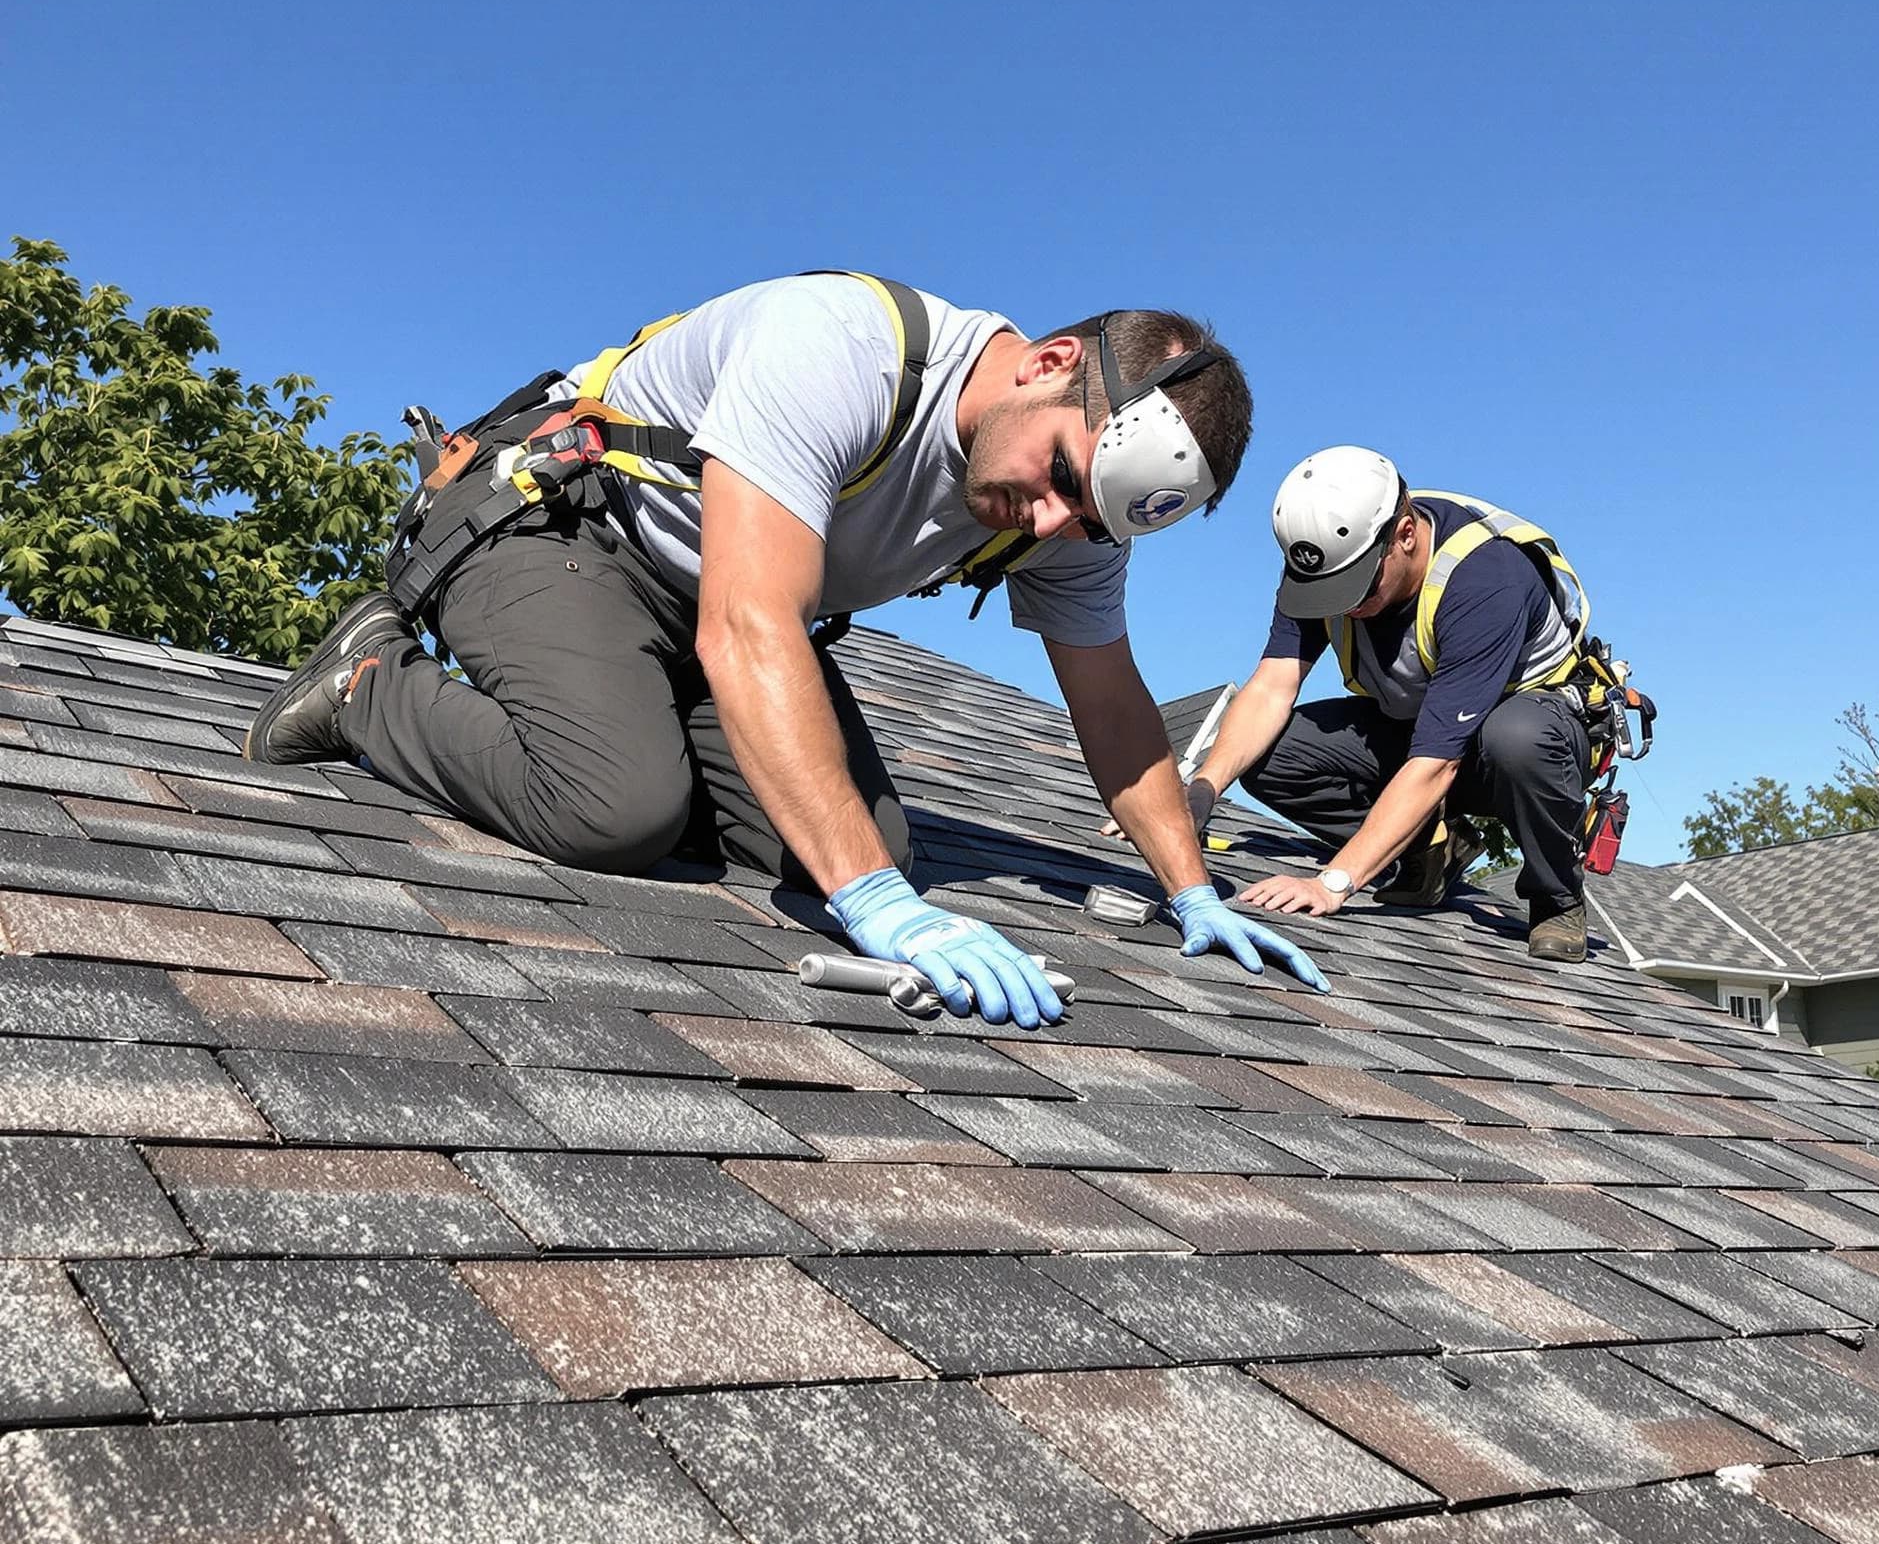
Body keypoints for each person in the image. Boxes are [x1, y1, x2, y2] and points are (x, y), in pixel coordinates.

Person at [245, 271, 1324, 1026]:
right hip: (556, 530)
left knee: (859, 846)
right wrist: (881, 911)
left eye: (1089, 520)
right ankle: (368, 680)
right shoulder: (843, 347)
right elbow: (751, 626)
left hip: (696, 609)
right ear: (1046, 365)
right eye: (1057, 477)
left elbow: (1115, 710)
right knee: (617, 806)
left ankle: (626, 716)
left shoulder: (1064, 512)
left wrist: (1192, 893)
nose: (1050, 527)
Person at [1178, 445, 1601, 961]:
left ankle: (1555, 897)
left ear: (1404, 535)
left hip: (1517, 750)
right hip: (1418, 730)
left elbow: (1438, 761)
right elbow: (1270, 686)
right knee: (1272, 754)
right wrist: (1201, 790)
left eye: (1358, 587)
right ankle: (1428, 848)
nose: (1346, 605)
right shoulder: (1326, 563)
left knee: (1517, 739)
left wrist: (1333, 882)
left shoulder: (1486, 578)